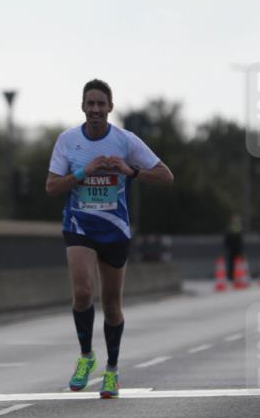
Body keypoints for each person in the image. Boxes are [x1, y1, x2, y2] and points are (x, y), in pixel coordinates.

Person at [46, 79, 174, 398]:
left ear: (110, 108)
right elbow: (51, 186)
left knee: (112, 305)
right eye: (90, 103)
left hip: (115, 230)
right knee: (82, 291)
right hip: (79, 226)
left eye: (101, 104)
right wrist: (82, 173)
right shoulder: (67, 141)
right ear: (82, 107)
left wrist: (130, 172)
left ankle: (112, 370)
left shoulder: (126, 141)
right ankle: (86, 357)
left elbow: (166, 176)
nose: (95, 110)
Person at [223, 214, 243, 282]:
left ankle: (237, 275)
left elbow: (239, 238)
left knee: (236, 263)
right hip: (232, 248)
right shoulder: (232, 227)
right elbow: (227, 237)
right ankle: (232, 276)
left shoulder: (237, 227)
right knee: (232, 263)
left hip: (236, 248)